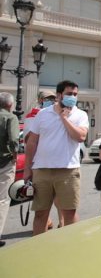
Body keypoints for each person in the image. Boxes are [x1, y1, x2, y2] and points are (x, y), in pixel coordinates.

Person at [24, 80, 89, 236]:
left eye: (75, 94)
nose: (72, 97)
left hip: (68, 171)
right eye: (69, 94)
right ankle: (38, 248)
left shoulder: (81, 114)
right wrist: (28, 169)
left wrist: (64, 118)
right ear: (59, 95)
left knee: (69, 213)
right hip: (42, 170)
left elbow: (80, 136)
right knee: (40, 213)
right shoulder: (42, 114)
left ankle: (70, 248)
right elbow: (32, 142)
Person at [23, 90, 62, 230]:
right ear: (40, 100)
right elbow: (28, 140)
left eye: (53, 98)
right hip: (39, 162)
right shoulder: (33, 116)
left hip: (57, 162)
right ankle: (47, 222)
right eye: (47, 98)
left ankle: (61, 223)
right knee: (42, 198)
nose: (51, 101)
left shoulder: (58, 113)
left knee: (59, 198)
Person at [0, 93, 19, 247]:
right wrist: (14, 154)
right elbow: (13, 139)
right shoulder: (10, 118)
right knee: (2, 200)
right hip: (4, 163)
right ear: (10, 105)